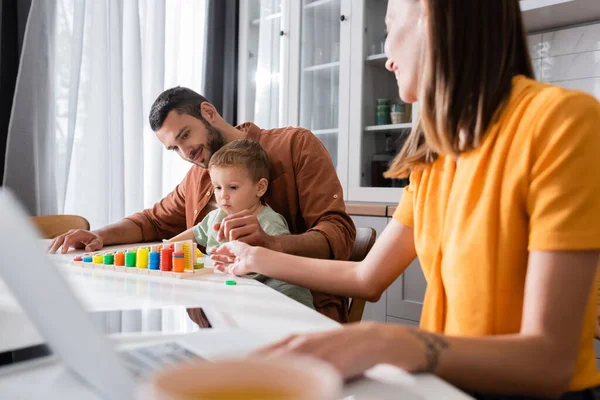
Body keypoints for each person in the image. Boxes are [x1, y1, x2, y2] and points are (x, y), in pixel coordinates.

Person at [209, 0, 600, 398]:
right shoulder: (434, 157)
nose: (388, 58)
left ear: (430, 17)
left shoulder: (561, 121)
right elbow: (367, 277)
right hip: (443, 387)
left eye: (388, 30)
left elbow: (550, 361)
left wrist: (396, 343)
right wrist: (255, 257)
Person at [48, 87, 356, 322]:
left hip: (299, 312)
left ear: (208, 112)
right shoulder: (198, 178)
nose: (186, 153)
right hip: (222, 313)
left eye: (185, 135)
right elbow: (153, 221)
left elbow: (338, 233)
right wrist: (100, 236)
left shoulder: (293, 146)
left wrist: (271, 245)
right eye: (175, 148)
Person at [169, 138, 314, 309]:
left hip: (276, 298)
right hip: (233, 294)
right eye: (217, 187)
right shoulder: (217, 216)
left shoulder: (269, 223)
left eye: (233, 187)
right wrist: (166, 247)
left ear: (260, 188)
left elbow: (284, 265)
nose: (223, 196)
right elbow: (195, 233)